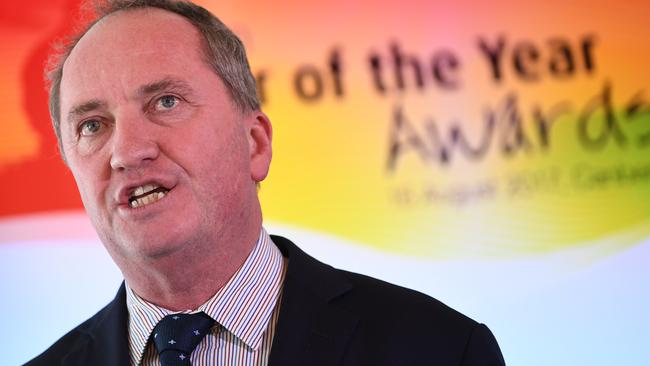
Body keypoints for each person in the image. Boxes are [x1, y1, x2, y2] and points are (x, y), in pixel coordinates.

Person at [27, 0, 506, 365]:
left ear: (254, 143)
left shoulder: (439, 348)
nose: (128, 152)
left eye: (166, 102)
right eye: (92, 125)